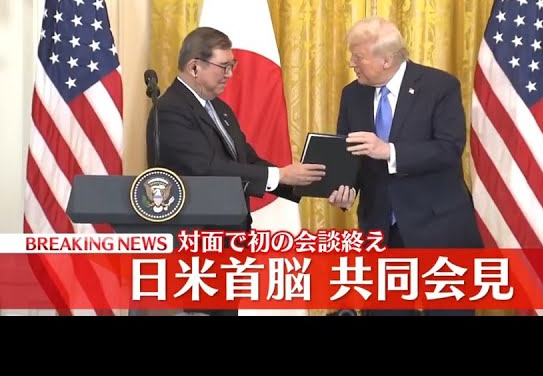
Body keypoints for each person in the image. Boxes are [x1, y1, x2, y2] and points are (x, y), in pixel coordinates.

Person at [144, 26, 326, 316]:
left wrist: (310, 182)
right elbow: (207, 169)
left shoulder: (221, 109)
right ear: (194, 67)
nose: (230, 74)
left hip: (230, 241)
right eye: (224, 66)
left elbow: (248, 160)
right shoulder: (169, 110)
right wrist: (280, 175)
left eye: (233, 66)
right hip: (197, 244)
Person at [328, 16, 484, 316]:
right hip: (381, 229)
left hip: (439, 227)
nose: (351, 63)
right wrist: (344, 188)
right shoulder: (353, 94)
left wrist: (389, 151)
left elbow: (449, 149)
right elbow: (349, 155)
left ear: (386, 60)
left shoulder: (439, 87)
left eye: (358, 57)